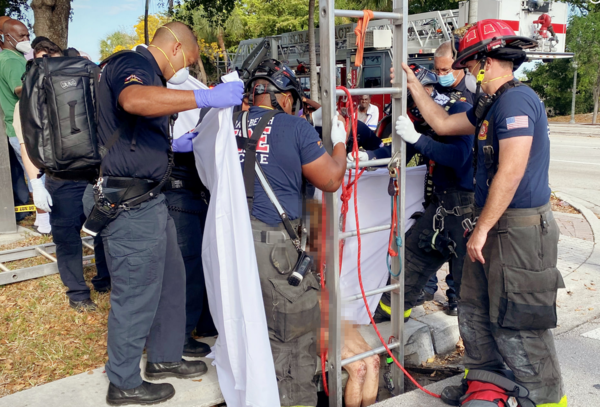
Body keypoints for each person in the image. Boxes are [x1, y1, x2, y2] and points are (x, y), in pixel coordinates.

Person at [394, 19, 566, 407]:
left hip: (520, 231)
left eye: (471, 62)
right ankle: (485, 382)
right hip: (492, 223)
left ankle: (547, 400)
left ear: (489, 60)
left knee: (520, 321)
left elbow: (512, 168)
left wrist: (481, 228)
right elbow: (440, 122)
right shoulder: (489, 105)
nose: (467, 70)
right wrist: (413, 84)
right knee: (473, 307)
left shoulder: (517, 100)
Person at [88, 22, 243, 405]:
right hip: (130, 205)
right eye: (187, 60)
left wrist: (176, 143)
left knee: (172, 281)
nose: (183, 70)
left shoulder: (149, 71)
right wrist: (204, 97)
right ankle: (122, 382)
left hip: (152, 200)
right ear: (174, 48)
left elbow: (134, 131)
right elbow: (134, 101)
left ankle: (164, 357)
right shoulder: (130, 63)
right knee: (136, 294)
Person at [236, 59, 348, 407]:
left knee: (254, 330)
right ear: (284, 97)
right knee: (294, 337)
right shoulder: (295, 129)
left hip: (238, 243)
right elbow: (330, 179)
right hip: (278, 252)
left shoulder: (228, 123)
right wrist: (339, 142)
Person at [369, 65, 473, 324]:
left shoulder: (457, 109)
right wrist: (367, 158)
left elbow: (459, 157)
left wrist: (418, 139)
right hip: (440, 206)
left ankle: (481, 359)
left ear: (426, 90)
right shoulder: (423, 121)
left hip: (466, 209)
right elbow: (397, 150)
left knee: (468, 289)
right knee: (409, 267)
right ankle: (389, 324)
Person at [15, 40, 111, 310]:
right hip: (95, 172)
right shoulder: (86, 78)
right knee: (99, 230)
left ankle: (80, 294)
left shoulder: (31, 92)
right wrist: (36, 183)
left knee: (70, 237)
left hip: (64, 176)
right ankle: (99, 282)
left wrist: (36, 182)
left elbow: (27, 143)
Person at [434, 41, 475, 105]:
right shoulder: (435, 88)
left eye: (445, 70)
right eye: (437, 70)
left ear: (459, 65)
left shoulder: (473, 90)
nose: (440, 74)